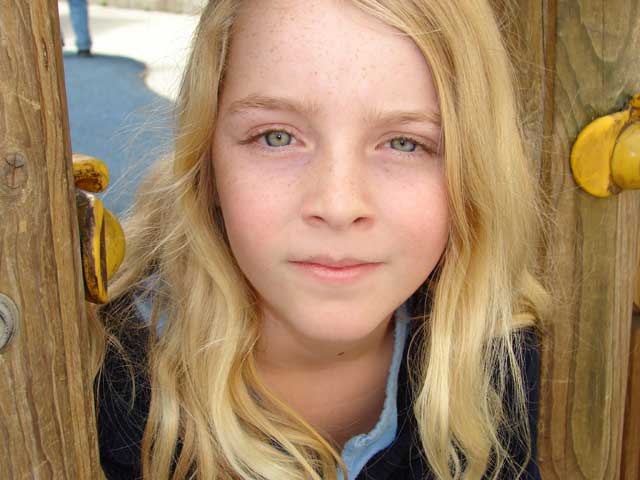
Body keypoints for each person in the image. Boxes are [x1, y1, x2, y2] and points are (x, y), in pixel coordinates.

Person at [91, 0, 550, 479]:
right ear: (206, 160)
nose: (338, 205)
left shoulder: (493, 353)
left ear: (475, 172)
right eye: (277, 137)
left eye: (405, 143)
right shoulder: (105, 381)